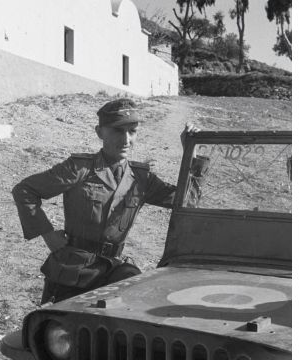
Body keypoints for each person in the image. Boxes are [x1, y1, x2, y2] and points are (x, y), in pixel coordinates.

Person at [12, 98, 199, 304]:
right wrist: (48, 235)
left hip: (112, 271)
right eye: (118, 131)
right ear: (100, 132)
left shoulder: (142, 178)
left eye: (133, 131)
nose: (127, 140)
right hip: (73, 270)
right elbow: (24, 190)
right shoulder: (80, 169)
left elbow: (187, 201)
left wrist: (192, 153)